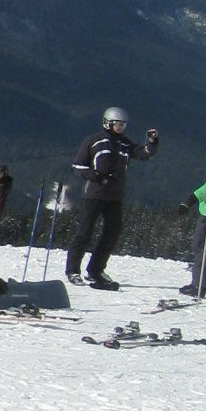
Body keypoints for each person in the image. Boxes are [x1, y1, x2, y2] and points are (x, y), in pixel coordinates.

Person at [65, 105, 159, 290]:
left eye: (123, 125)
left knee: (112, 233)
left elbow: (143, 154)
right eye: (117, 124)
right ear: (107, 123)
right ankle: (73, 270)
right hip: (94, 194)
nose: (121, 128)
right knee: (84, 232)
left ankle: (96, 270)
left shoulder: (124, 143)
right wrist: (95, 176)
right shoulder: (94, 141)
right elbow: (78, 165)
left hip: (115, 196)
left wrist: (152, 142)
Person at [179, 121, 206, 298]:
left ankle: (200, 284)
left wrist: (191, 199)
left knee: (201, 246)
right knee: (203, 246)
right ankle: (198, 285)